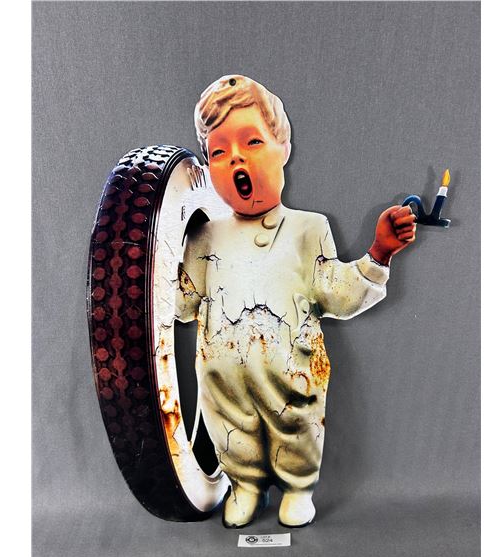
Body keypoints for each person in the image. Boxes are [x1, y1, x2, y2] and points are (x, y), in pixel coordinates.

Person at [176, 75, 416, 527]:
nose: (236, 158)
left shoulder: (308, 229)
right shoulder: (203, 235)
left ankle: (298, 486)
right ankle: (244, 485)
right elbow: (182, 304)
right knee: (229, 428)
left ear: (282, 148)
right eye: (219, 152)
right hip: (221, 379)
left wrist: (379, 252)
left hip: (292, 371)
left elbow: (334, 292)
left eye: (252, 141)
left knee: (297, 426)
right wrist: (152, 249)